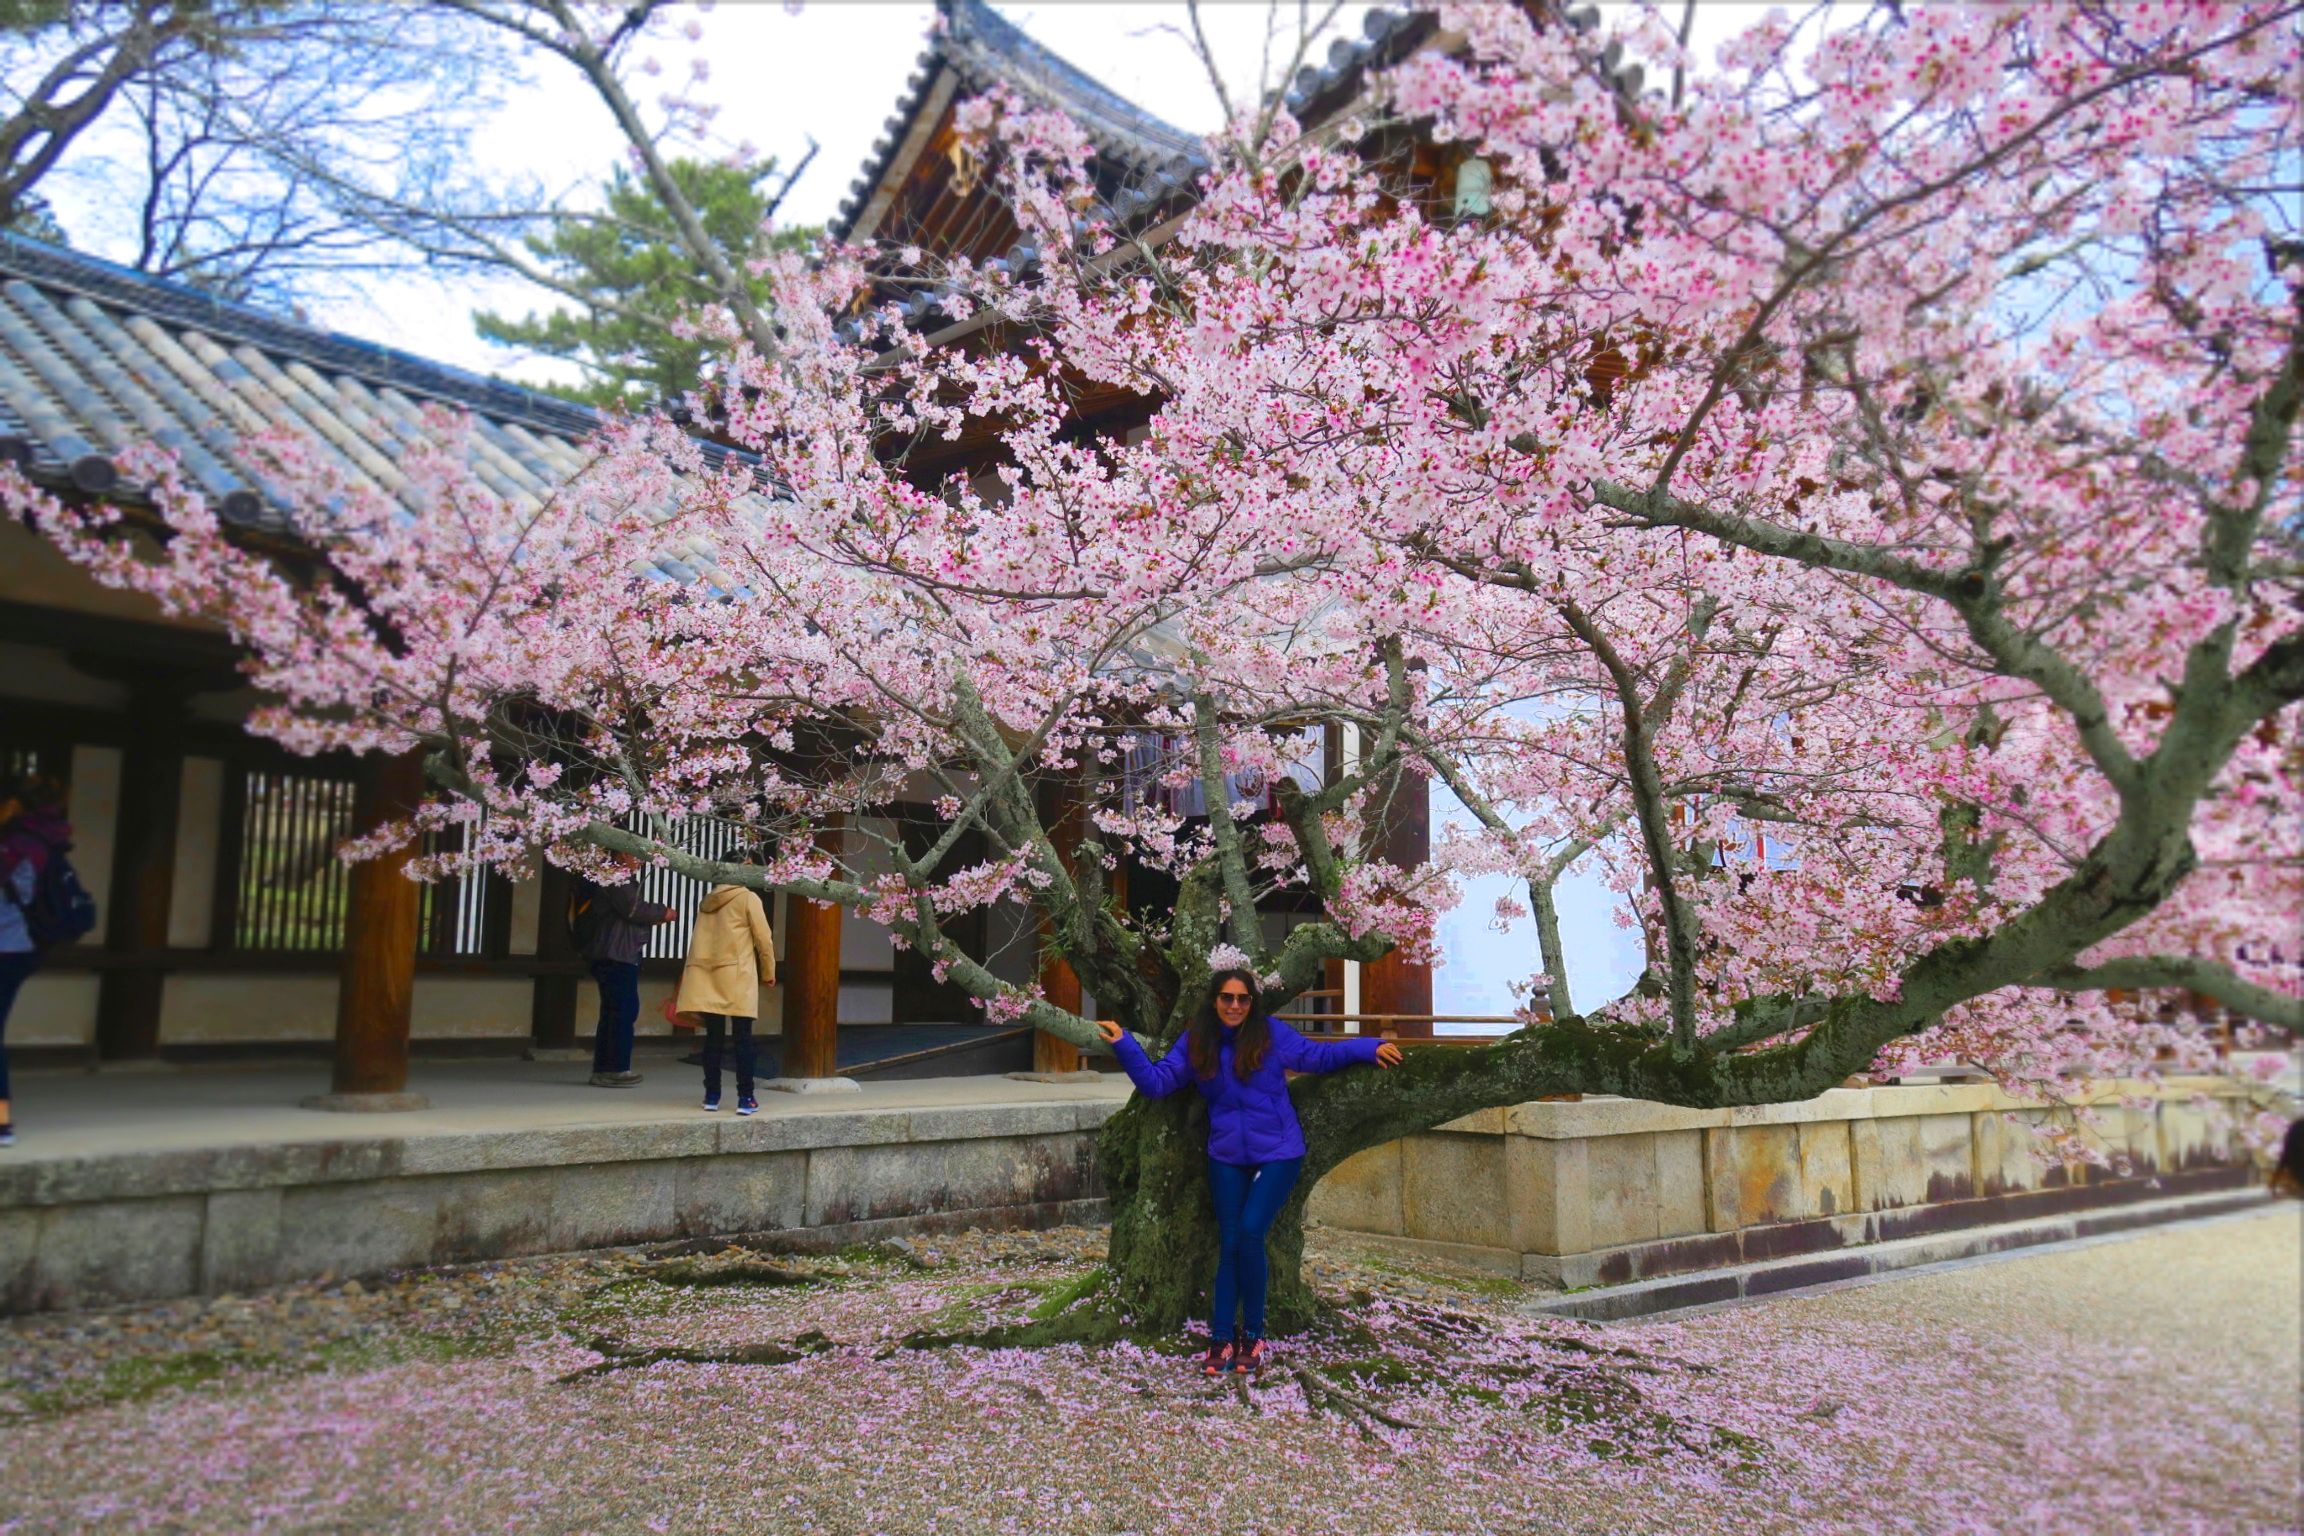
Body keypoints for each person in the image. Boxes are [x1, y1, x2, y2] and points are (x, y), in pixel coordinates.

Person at [1098, 968, 1403, 1375]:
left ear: (1252, 1003)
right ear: (1214, 1001)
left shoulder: (1270, 1034)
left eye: (1243, 999)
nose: (1235, 1006)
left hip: (1278, 1152)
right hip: (1226, 1156)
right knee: (1230, 1243)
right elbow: (1157, 1083)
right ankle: (1221, 1339)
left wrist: (1368, 1047)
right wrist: (1124, 1045)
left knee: (1250, 1233)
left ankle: (1254, 1335)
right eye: (1227, 998)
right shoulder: (1197, 1041)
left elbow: (1317, 1057)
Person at [0, 778, 77, 1149]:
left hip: (6, 945)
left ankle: (1, 1122)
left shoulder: (16, 844)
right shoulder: (45, 839)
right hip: (21, 948)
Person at [674, 858, 777, 1116]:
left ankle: (711, 1095)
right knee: (743, 1038)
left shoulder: (708, 902)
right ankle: (746, 1097)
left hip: (708, 976)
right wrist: (769, 971)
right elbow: (763, 938)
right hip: (737, 975)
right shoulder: (747, 898)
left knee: (713, 1039)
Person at [578, 854, 675, 1087]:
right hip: (616, 954)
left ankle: (606, 1068)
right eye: (634, 853)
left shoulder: (616, 877)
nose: (639, 859)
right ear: (620, 854)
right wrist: (664, 912)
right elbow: (633, 909)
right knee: (621, 1011)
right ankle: (615, 1068)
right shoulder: (616, 877)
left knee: (616, 1012)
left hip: (616, 953)